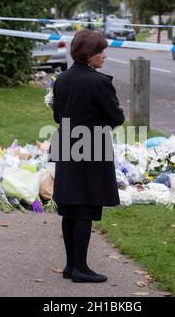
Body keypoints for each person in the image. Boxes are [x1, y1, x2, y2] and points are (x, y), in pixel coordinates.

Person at [50, 29, 125, 283]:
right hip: (91, 148)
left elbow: (58, 116)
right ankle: (81, 268)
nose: (104, 56)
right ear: (87, 54)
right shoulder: (99, 82)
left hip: (66, 144)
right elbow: (116, 118)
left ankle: (71, 266)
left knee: (70, 207)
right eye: (99, 51)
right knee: (84, 207)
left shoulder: (61, 79)